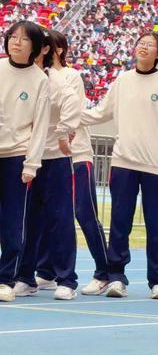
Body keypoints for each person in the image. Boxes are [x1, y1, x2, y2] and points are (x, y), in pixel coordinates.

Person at [80, 33, 158, 300]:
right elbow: (101, 112)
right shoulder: (123, 80)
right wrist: (70, 116)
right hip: (124, 162)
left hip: (157, 166)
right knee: (120, 222)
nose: (143, 47)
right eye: (141, 43)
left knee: (156, 225)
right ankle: (116, 277)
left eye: (150, 45)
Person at [33, 30, 110, 296]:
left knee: (84, 214)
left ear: (58, 50)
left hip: (75, 155)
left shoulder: (70, 76)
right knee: (44, 215)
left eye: (48, 46)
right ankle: (46, 271)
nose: (42, 50)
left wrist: (63, 131)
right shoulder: (33, 76)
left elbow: (73, 113)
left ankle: (105, 271)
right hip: (45, 156)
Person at [14, 29, 81, 300]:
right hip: (25, 158)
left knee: (60, 219)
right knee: (27, 221)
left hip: (54, 159)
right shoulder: (20, 77)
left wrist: (63, 132)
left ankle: (67, 279)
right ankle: (24, 276)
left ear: (44, 50)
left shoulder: (55, 79)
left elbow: (72, 104)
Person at [0, 21, 50, 302]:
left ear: (34, 46)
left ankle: (6, 278)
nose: (16, 42)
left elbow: (40, 125)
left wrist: (32, 164)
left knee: (12, 222)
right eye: (12, 37)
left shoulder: (39, 80)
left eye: (23, 38)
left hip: (16, 157)